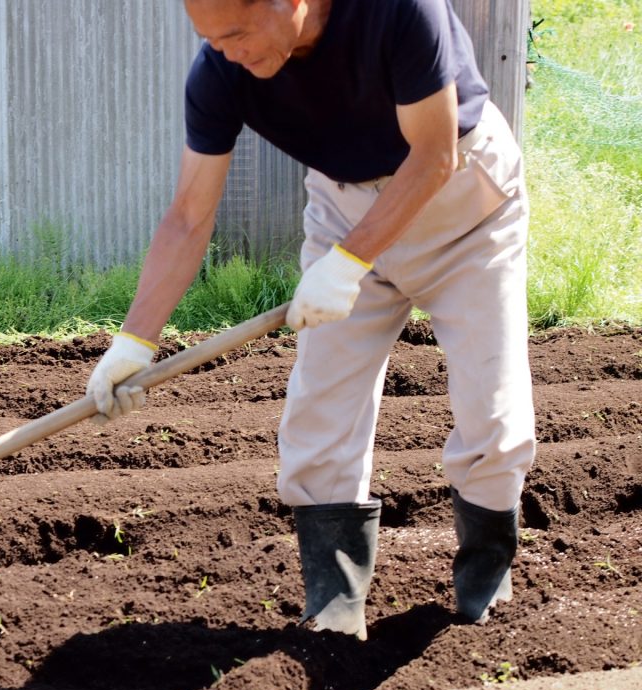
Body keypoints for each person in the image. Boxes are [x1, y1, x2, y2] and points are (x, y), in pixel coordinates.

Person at [86, 0, 536, 640]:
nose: (225, 50)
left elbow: (434, 157)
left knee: (491, 411)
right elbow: (189, 215)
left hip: (462, 209)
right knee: (321, 410)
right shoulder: (220, 69)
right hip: (345, 209)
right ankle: (335, 599)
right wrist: (135, 339)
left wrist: (349, 261)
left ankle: (483, 581)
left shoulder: (397, 13)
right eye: (209, 39)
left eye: (236, 32)